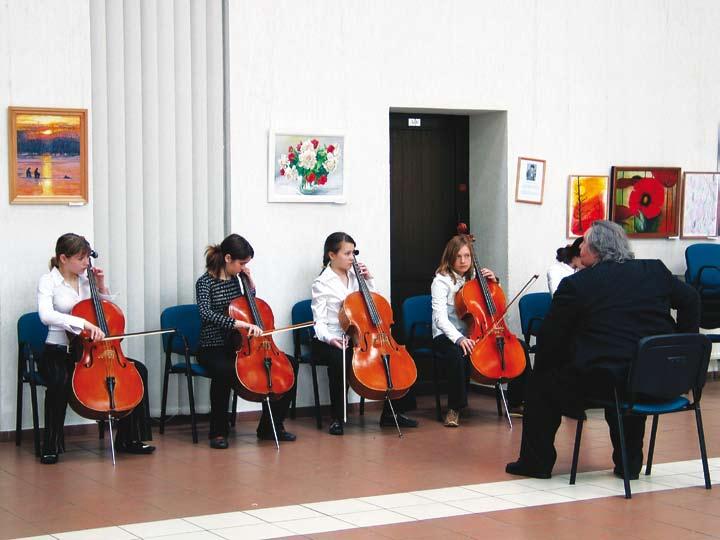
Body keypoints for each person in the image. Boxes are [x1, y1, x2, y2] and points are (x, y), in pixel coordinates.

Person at [506, 220, 700, 479]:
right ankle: (629, 464)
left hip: (607, 383)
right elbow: (692, 299)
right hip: (659, 380)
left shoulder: (578, 285)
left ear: (596, 250)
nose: (580, 246)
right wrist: (682, 345)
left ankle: (536, 463)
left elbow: (551, 339)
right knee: (630, 373)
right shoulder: (655, 271)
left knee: (541, 382)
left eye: (584, 241)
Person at [37, 233, 154, 464]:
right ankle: (50, 444)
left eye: (87, 258)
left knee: (138, 370)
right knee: (59, 381)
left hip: (93, 352)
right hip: (59, 350)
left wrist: (100, 285)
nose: (86, 263)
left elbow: (106, 309)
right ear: (63, 258)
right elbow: (45, 315)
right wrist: (83, 323)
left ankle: (129, 439)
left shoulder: (85, 280)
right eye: (81, 259)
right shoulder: (48, 281)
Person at [311, 232, 418, 435]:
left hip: (363, 336)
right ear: (332, 255)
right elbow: (319, 322)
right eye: (347, 253)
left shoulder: (356, 276)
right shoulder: (321, 283)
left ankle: (391, 413)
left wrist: (369, 280)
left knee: (396, 357)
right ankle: (337, 417)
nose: (352, 257)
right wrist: (330, 338)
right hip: (335, 337)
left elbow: (375, 305)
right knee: (339, 359)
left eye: (354, 253)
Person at [195, 233, 296, 449]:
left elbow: (248, 307)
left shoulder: (237, 279)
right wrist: (238, 324)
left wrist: (250, 285)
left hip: (238, 345)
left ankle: (271, 426)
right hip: (212, 346)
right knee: (224, 371)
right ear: (228, 258)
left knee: (289, 365)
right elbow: (205, 313)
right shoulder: (204, 282)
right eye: (242, 263)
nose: (243, 268)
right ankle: (218, 432)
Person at [432, 234, 521, 427]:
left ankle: (517, 401)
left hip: (477, 332)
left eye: (467, 256)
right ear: (450, 258)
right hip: (447, 334)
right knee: (458, 353)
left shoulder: (476, 278)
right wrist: (459, 339)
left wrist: (493, 282)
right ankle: (454, 409)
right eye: (458, 256)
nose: (463, 261)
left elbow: (491, 305)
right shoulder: (441, 281)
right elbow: (440, 319)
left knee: (517, 347)